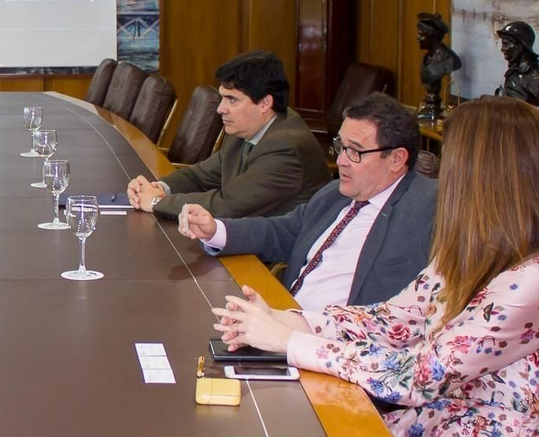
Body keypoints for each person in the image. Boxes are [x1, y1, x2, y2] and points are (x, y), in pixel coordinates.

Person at [212, 96, 539, 437]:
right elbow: (392, 320)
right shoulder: (472, 254)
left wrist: (290, 342)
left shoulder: (535, 282)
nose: (444, 182)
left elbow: (417, 377)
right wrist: (289, 320)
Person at [179, 93, 435, 309]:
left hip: (336, 341)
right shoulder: (335, 194)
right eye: (341, 146)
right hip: (282, 313)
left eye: (355, 151)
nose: (341, 161)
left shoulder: (427, 209)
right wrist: (215, 229)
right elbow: (283, 231)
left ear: (396, 159)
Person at [125, 50, 329, 220]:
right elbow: (199, 177)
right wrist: (158, 187)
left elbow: (228, 206)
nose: (220, 109)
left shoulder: (286, 147)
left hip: (272, 253)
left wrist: (157, 202)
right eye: (223, 98)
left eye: (232, 100)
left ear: (265, 103)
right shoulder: (244, 130)